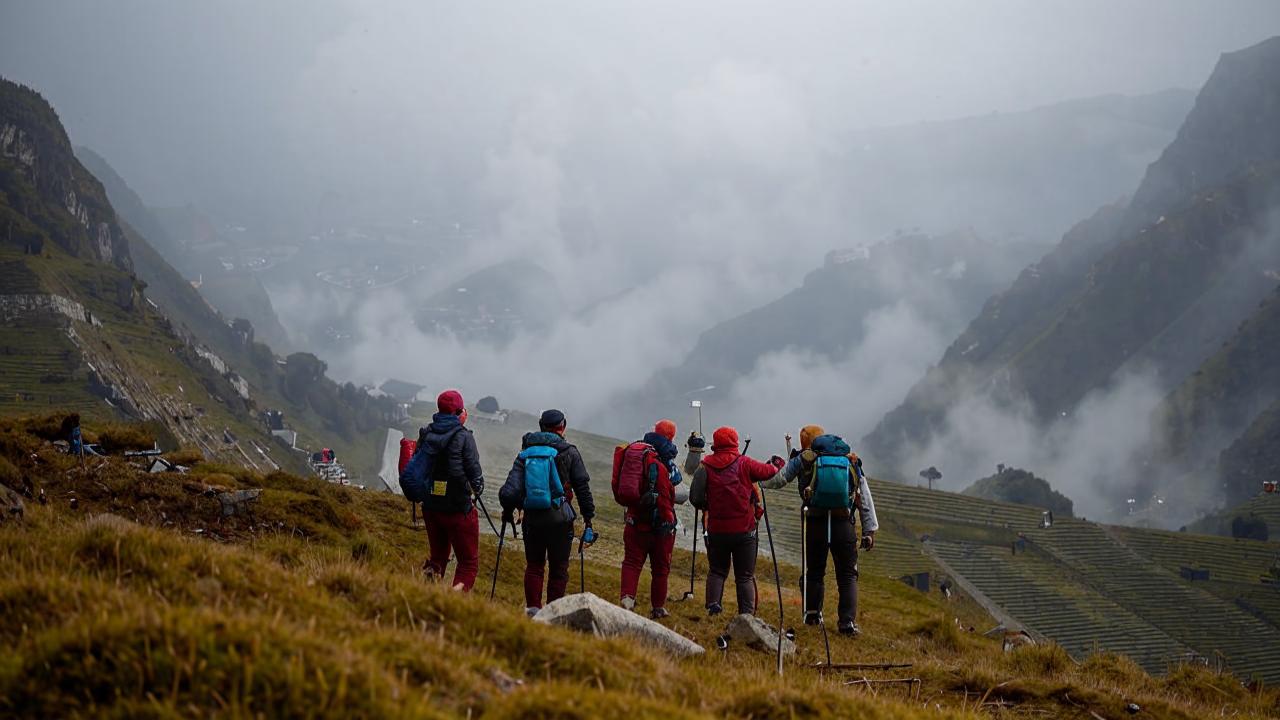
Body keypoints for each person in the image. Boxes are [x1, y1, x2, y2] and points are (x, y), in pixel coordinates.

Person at [763, 425, 878, 635]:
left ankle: (813, 615)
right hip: (843, 523)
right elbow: (864, 496)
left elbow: (779, 480)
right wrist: (869, 530)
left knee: (815, 571)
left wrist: (755, 478)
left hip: (815, 521)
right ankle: (847, 623)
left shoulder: (804, 458)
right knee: (848, 574)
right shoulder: (850, 460)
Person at [499, 409, 597, 616]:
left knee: (534, 566)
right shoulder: (570, 451)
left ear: (541, 426)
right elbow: (582, 487)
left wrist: (511, 508)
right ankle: (553, 615)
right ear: (562, 427)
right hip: (560, 519)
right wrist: (588, 518)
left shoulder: (527, 451)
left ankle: (532, 610)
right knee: (558, 570)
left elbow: (511, 490)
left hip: (532, 518)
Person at [689, 426, 785, 616]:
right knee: (745, 576)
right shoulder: (744, 463)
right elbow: (768, 472)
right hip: (745, 531)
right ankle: (746, 615)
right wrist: (776, 464)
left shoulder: (705, 466)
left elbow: (696, 498)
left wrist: (710, 505)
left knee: (716, 570)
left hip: (716, 529)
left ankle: (713, 606)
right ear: (735, 442)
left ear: (715, 443)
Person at [618, 419, 684, 619]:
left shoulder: (636, 451)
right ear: (671, 436)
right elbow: (675, 481)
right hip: (660, 524)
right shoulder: (665, 456)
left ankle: (627, 600)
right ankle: (658, 607)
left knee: (631, 562)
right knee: (661, 568)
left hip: (635, 518)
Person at [419, 389, 484, 591]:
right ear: (459, 412)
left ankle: (427, 593)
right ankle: (456, 602)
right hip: (458, 508)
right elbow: (475, 474)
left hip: (430, 506)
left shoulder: (426, 433)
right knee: (468, 562)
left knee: (437, 557)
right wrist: (476, 490)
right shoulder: (464, 437)